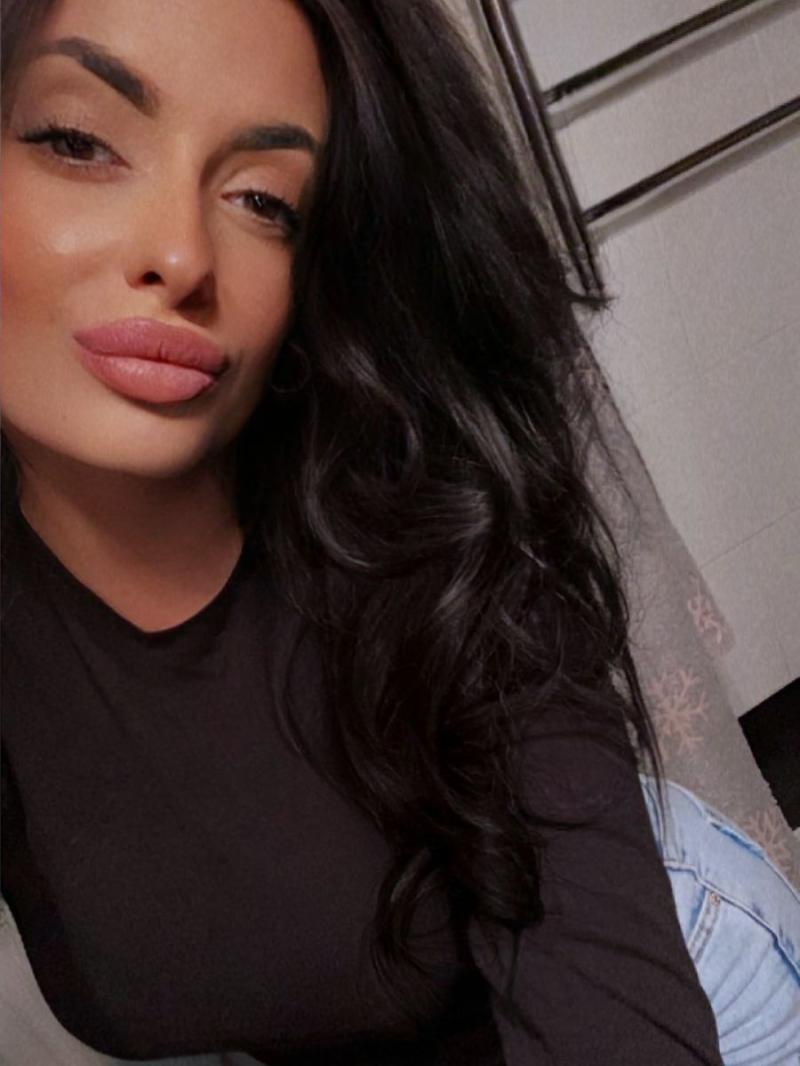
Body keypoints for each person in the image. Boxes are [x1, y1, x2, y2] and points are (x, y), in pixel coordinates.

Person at [0, 0, 783, 1063]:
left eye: (264, 200)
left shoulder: (434, 543)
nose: (181, 254)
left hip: (698, 964)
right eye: (79, 141)